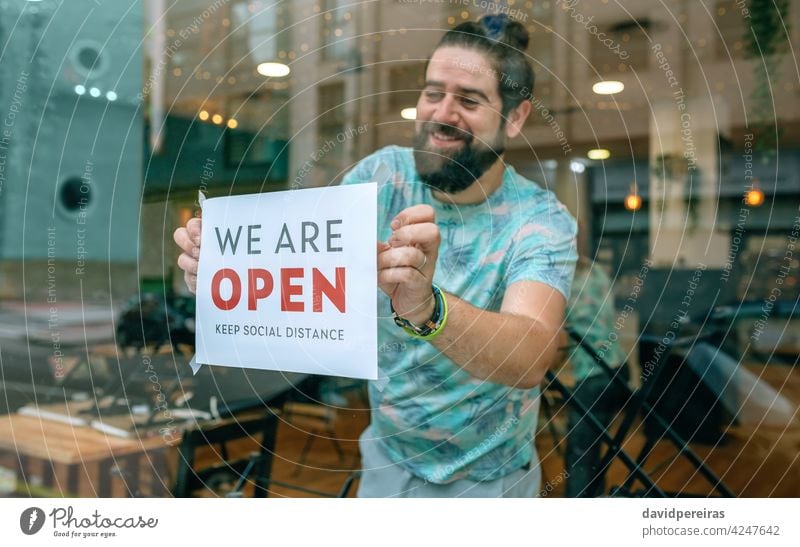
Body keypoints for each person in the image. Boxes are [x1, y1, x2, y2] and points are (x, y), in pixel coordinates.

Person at [174, 14, 577, 497]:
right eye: (433, 92)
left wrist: (427, 308)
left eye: (468, 100)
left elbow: (530, 355)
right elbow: (305, 282)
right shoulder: (382, 175)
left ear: (514, 117)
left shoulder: (539, 220)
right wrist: (222, 279)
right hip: (383, 465)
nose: (443, 113)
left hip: (489, 485)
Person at [559, 231, 628, 497]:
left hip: (591, 376)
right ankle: (596, 499)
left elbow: (559, 337)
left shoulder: (564, 282)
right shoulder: (597, 271)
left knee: (579, 453)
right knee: (596, 446)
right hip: (616, 368)